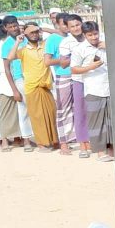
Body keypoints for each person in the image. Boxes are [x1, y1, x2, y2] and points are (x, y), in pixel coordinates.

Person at [7, 22, 58, 151]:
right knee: (37, 116)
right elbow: (10, 57)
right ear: (26, 35)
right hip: (32, 87)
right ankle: (41, 143)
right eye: (31, 33)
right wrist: (18, 41)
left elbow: (59, 34)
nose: (34, 35)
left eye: (36, 32)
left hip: (46, 86)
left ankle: (53, 140)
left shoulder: (45, 46)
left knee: (51, 113)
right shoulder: (23, 50)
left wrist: (43, 29)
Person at [70, 22, 113, 161]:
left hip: (110, 88)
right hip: (94, 89)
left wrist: (110, 47)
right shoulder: (80, 49)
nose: (94, 37)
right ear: (84, 35)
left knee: (112, 121)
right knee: (97, 123)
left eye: (95, 34)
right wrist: (90, 67)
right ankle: (100, 152)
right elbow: (74, 69)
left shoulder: (106, 44)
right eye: (90, 35)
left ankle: (112, 150)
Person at [43, 12, 77, 156]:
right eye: (64, 24)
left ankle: (77, 139)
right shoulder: (52, 39)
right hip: (63, 76)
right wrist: (65, 60)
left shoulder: (73, 38)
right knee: (63, 109)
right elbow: (47, 61)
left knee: (77, 108)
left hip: (77, 75)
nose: (68, 27)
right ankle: (63, 143)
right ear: (58, 24)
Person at [58, 14, 91, 157]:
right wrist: (78, 54)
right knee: (80, 111)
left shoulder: (90, 36)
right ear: (68, 28)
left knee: (95, 110)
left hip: (94, 78)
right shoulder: (66, 42)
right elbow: (63, 63)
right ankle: (83, 143)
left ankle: (96, 141)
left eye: (78, 25)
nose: (76, 28)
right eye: (72, 26)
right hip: (78, 79)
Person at [1, 15, 33, 150]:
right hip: (20, 79)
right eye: (10, 27)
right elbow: (7, 69)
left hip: (33, 76)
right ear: (5, 28)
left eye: (15, 25)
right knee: (23, 110)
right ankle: (26, 140)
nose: (14, 28)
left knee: (36, 109)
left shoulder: (27, 38)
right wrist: (14, 90)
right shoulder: (6, 44)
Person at [0, 19, 22, 151]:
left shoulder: (12, 41)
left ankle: (18, 138)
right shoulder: (4, 44)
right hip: (4, 80)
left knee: (16, 111)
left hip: (14, 78)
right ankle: (5, 140)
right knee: (5, 113)